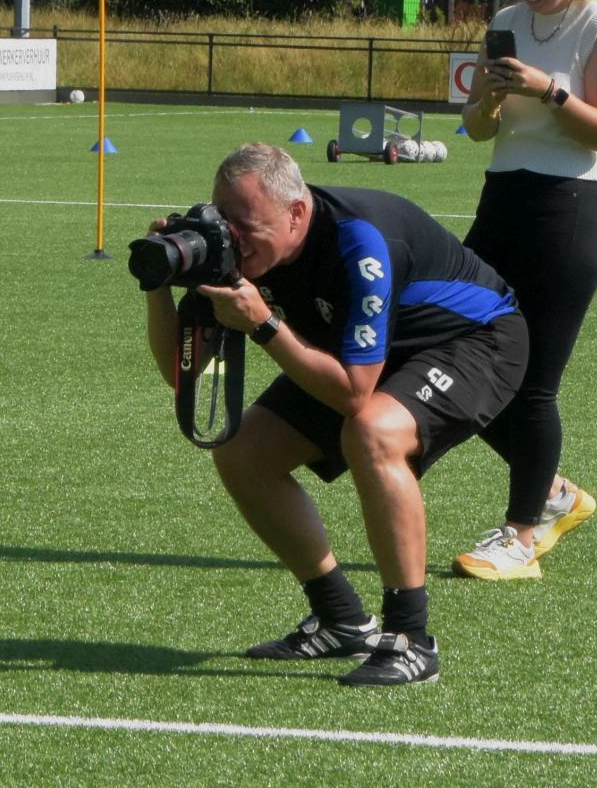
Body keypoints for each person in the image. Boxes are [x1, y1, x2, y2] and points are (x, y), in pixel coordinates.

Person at [143, 144, 529, 686]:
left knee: (371, 431)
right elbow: (180, 372)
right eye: (224, 220)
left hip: (472, 339)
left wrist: (263, 324)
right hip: (367, 350)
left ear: (296, 212)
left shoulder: (361, 242)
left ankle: (410, 639)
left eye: (246, 225)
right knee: (241, 450)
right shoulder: (231, 247)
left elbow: (353, 395)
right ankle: (341, 617)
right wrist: (158, 289)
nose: (233, 237)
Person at [454, 0, 597, 579]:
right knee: (454, 354)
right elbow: (475, 130)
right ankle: (555, 492)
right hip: (501, 202)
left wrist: (548, 88)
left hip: (570, 210)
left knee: (530, 387)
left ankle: (521, 535)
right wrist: (491, 101)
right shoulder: (502, 25)